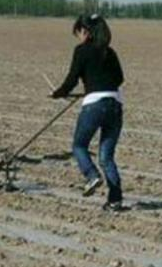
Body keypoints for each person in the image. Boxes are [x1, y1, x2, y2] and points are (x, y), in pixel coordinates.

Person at [51, 14, 125, 211]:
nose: (78, 37)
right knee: (107, 157)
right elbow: (119, 79)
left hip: (94, 105)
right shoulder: (110, 52)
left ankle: (92, 176)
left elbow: (72, 78)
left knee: (79, 146)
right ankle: (115, 200)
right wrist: (98, 83)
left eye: (78, 33)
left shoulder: (82, 51)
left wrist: (58, 93)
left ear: (85, 31)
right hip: (116, 105)